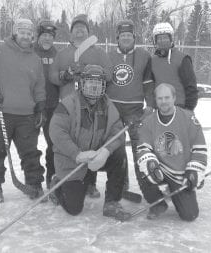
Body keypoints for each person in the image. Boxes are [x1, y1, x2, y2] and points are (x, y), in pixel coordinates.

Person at [0, 18, 46, 203]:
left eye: (29, 33)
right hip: (0, 112)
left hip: (26, 115)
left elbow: (39, 87)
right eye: (22, 32)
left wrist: (40, 107)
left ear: (33, 37)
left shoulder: (35, 59)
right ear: (15, 33)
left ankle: (34, 185)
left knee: (30, 152)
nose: (25, 36)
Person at [48, 64, 131, 221]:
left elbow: (118, 132)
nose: (94, 86)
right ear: (82, 84)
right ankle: (58, 185)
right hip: (73, 160)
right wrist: (77, 154)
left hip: (95, 156)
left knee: (119, 153)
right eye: (90, 82)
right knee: (74, 209)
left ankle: (112, 202)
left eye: (98, 83)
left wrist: (106, 151)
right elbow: (56, 132)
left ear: (103, 86)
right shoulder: (67, 104)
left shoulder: (108, 106)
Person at [49, 14, 112, 198]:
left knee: (92, 144)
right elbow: (52, 76)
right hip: (68, 108)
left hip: (91, 107)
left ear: (88, 32)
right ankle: (59, 179)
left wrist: (89, 71)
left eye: (83, 28)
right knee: (67, 145)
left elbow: (109, 74)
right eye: (76, 28)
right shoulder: (62, 54)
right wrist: (66, 74)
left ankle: (90, 183)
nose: (79, 30)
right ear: (71, 33)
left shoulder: (98, 53)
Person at [136, 83, 207, 221]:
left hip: (180, 173)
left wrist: (194, 171)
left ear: (174, 98)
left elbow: (200, 148)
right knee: (143, 170)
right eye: (160, 98)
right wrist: (149, 162)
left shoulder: (189, 118)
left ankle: (174, 192)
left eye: (167, 97)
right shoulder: (148, 122)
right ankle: (158, 203)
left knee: (190, 215)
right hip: (159, 169)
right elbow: (143, 148)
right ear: (156, 100)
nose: (163, 101)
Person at [106, 19, 155, 191]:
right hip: (113, 111)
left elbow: (148, 83)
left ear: (134, 37)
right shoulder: (109, 56)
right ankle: (121, 185)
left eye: (129, 35)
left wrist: (150, 104)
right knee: (117, 150)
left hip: (135, 111)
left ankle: (146, 186)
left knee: (139, 149)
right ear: (117, 37)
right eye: (122, 35)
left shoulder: (144, 56)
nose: (126, 38)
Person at [34, 19, 59, 189]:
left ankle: (52, 177)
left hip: (52, 107)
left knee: (53, 144)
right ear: (38, 36)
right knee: (29, 147)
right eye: (44, 35)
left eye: (50, 36)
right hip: (32, 107)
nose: (47, 39)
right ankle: (34, 181)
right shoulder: (29, 52)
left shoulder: (58, 54)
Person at [151, 22, 198, 111]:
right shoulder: (152, 61)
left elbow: (191, 87)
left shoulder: (182, 59)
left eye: (165, 38)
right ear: (155, 41)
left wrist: (188, 109)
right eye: (159, 38)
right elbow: (150, 87)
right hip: (160, 109)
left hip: (179, 108)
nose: (162, 41)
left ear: (171, 39)